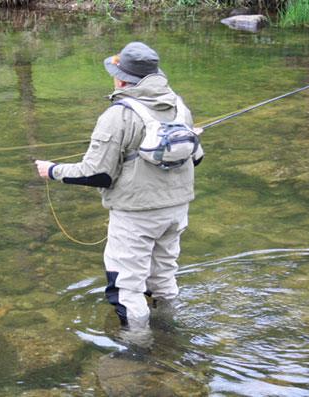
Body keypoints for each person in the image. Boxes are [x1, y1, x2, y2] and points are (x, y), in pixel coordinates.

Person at [35, 42, 203, 334]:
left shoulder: (118, 114)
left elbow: (98, 174)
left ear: (122, 79)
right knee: (163, 277)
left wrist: (53, 171)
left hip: (136, 215)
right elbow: (196, 159)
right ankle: (170, 334)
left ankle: (137, 352)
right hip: (177, 211)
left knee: (126, 288)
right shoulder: (179, 105)